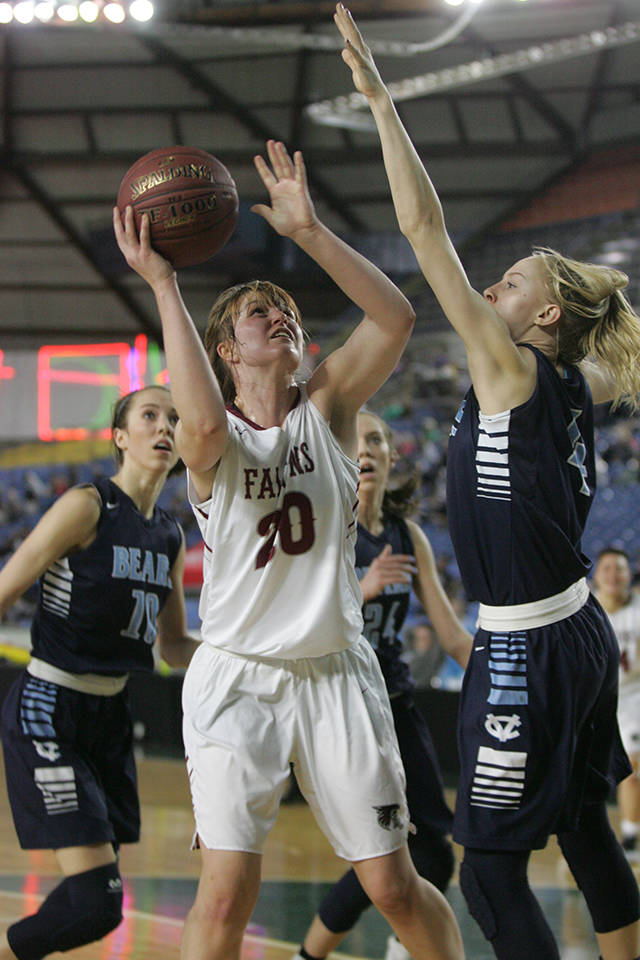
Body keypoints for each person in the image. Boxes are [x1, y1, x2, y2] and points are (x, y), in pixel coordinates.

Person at [333, 5, 640, 959]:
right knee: (588, 829)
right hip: (576, 633)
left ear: (543, 314)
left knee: (492, 871)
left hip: (529, 648)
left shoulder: (511, 371)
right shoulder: (575, 383)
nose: (489, 293)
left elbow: (424, 232)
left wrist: (384, 104)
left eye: (505, 284)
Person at [113, 139, 465, 960]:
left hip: (337, 671)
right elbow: (198, 424)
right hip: (239, 675)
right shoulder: (212, 432)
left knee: (392, 885)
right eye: (258, 313)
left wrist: (308, 232)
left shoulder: (330, 406)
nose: (282, 315)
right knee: (229, 887)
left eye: (287, 309)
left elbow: (397, 318)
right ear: (226, 352)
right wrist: (164, 281)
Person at [0, 385, 198, 960]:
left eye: (175, 419)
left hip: (109, 718)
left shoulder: (168, 533)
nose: (165, 427)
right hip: (49, 707)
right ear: (119, 437)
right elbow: (8, 587)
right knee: (95, 901)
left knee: (97, 903)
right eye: (150, 416)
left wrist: (241, 657)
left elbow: (174, 645)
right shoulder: (87, 506)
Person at [294, 409, 471, 960]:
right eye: (355, 439)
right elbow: (294, 621)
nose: (365, 449)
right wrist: (360, 590)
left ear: (394, 457)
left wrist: (513, 679)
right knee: (382, 852)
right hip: (340, 707)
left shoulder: (406, 534)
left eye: (376, 440)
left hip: (396, 704)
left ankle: (399, 948)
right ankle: (311, 954)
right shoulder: (321, 524)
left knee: (434, 856)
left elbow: (451, 634)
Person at [593, 547, 640, 857]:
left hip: (633, 696)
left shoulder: (637, 610)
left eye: (619, 569)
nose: (613, 575)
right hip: (593, 697)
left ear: (628, 574)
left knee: (633, 769)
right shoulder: (585, 607)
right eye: (607, 568)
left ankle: (630, 834)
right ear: (596, 575)